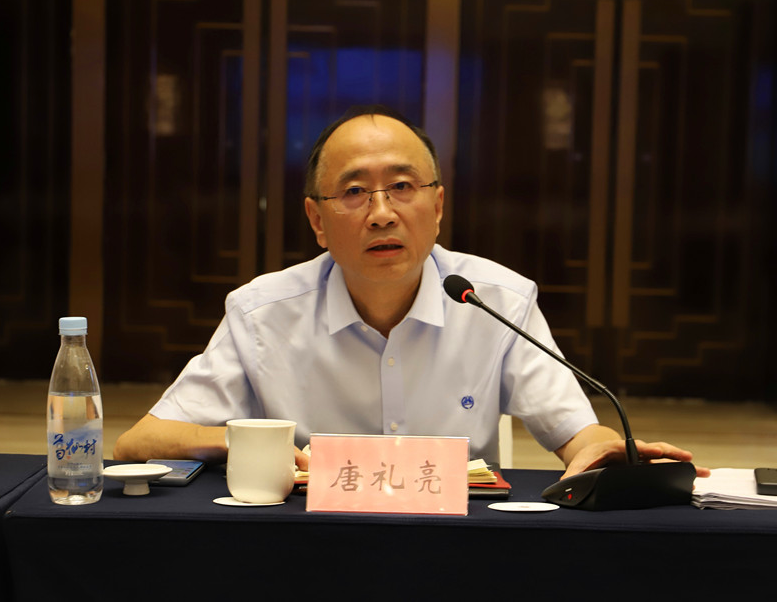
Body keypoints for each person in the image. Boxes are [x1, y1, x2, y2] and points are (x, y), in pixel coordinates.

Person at [114, 105, 707, 479]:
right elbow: (139, 441)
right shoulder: (261, 313)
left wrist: (604, 451)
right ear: (317, 220)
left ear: (438, 205)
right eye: (353, 192)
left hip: (457, 547)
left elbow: (578, 433)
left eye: (402, 186)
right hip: (309, 545)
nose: (381, 213)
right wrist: (249, 442)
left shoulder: (497, 300)